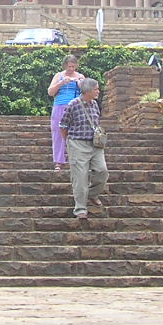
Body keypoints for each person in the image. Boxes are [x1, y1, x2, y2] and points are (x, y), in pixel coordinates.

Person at [59, 77, 108, 220]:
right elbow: (63, 126)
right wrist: (69, 142)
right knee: (80, 178)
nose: (98, 91)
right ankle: (80, 208)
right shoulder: (73, 105)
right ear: (88, 90)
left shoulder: (95, 104)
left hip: (95, 144)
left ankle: (92, 194)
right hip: (78, 143)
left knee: (102, 171)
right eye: (96, 89)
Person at [48, 54, 84, 171]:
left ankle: (77, 160)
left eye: (73, 66)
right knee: (58, 133)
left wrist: (79, 83)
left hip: (76, 107)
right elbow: (50, 92)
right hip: (60, 105)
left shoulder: (80, 76)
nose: (71, 69)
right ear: (65, 66)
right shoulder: (59, 75)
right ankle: (59, 161)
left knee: (76, 133)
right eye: (69, 66)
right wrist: (62, 83)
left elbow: (87, 92)